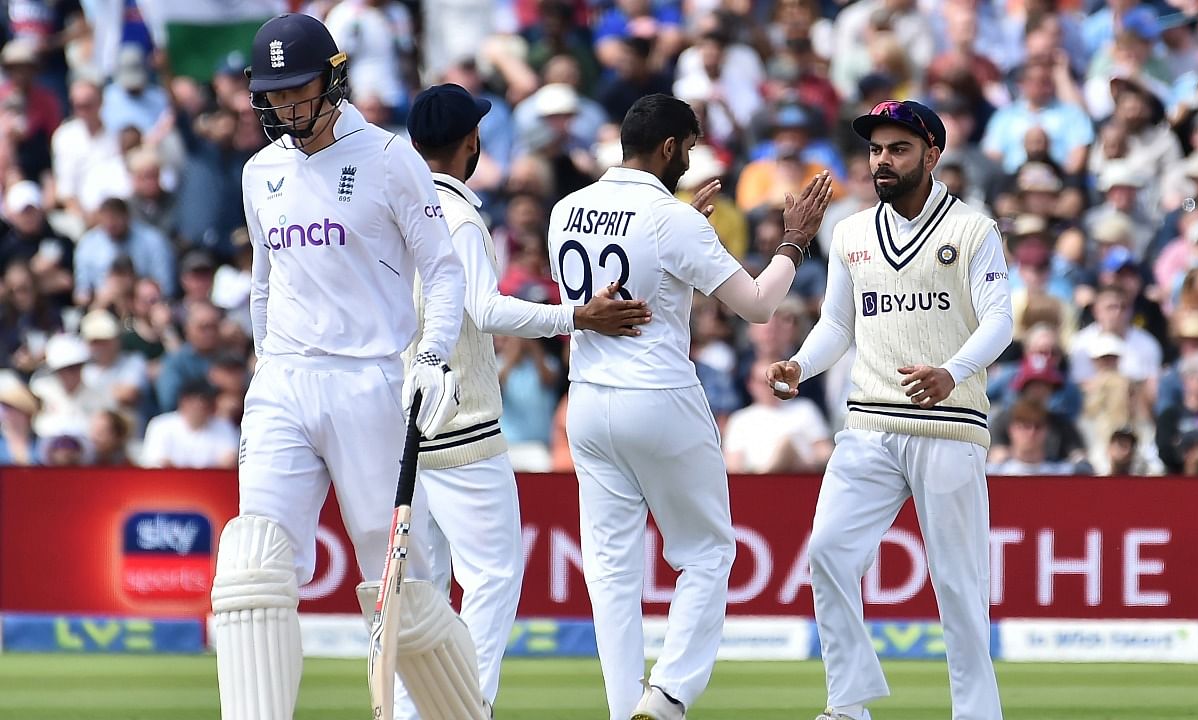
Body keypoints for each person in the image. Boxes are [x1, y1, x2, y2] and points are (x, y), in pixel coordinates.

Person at [210, 14, 484, 720]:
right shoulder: (260, 170)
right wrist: (269, 366)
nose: (283, 108)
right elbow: (264, 283)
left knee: (403, 588)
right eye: (271, 94)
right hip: (285, 383)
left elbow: (444, 274)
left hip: (372, 381)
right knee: (252, 566)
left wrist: (429, 357)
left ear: (332, 79)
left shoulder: (393, 160)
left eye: (297, 91)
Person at [549, 93, 832, 720]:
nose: (691, 159)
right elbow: (758, 304)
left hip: (589, 401)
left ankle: (625, 710)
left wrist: (689, 230)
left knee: (611, 570)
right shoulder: (674, 221)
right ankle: (669, 695)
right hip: (659, 397)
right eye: (691, 148)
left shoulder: (566, 209)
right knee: (707, 553)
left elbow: (640, 271)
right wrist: (793, 241)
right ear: (672, 147)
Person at [400, 83, 651, 716]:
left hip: (398, 422)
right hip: (460, 424)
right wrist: (578, 316)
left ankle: (409, 709)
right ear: (470, 144)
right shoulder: (455, 217)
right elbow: (483, 310)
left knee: (418, 585)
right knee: (491, 577)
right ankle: (464, 706)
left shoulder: (392, 208)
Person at [768, 99, 1011, 720]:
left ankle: (977, 713)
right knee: (827, 551)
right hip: (868, 423)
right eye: (876, 149)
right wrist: (800, 364)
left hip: (950, 423)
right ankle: (848, 704)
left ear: (933, 154)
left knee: (958, 585)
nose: (883, 160)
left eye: (898, 148)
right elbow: (837, 324)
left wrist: (951, 372)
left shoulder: (973, 229)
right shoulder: (849, 231)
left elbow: (1001, 322)